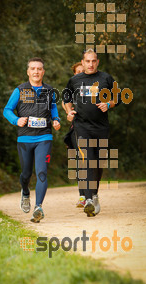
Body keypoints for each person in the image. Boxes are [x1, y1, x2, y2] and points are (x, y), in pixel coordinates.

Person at [64, 49, 121, 217]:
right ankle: (88, 199)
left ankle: (94, 195)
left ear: (97, 62)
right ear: (82, 62)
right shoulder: (74, 80)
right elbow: (66, 99)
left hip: (101, 127)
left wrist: (109, 105)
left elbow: (118, 97)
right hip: (82, 126)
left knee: (98, 162)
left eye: (93, 61)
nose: (90, 64)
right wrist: (69, 112)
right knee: (87, 159)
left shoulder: (106, 78)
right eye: (87, 61)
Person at [3, 57, 60, 223]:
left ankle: (38, 207)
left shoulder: (49, 91)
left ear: (43, 71)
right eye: (33, 68)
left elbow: (53, 108)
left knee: (41, 172)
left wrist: (56, 120)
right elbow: (7, 110)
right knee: (26, 173)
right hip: (25, 138)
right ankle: (25, 192)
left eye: (39, 69)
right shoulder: (20, 90)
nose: (36, 71)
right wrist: (16, 120)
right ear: (28, 71)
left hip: (44, 137)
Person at [63, 62, 86, 207]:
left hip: (94, 128)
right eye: (78, 72)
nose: (80, 74)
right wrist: (69, 112)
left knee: (90, 161)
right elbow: (66, 102)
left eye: (83, 71)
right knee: (80, 161)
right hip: (76, 129)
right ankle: (83, 196)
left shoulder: (94, 87)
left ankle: (92, 193)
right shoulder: (72, 87)